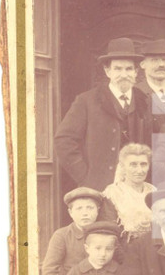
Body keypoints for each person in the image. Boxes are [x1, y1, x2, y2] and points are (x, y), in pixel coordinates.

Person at [55, 38, 152, 191]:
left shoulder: (145, 101)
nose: (123, 74)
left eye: (128, 69)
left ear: (136, 72)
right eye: (118, 69)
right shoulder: (87, 101)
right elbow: (64, 140)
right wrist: (86, 177)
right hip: (99, 187)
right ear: (108, 71)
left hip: (136, 187)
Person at [42, 187, 106, 275]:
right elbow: (49, 271)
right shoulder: (62, 236)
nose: (85, 213)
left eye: (90, 208)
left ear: (98, 210)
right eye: (79, 209)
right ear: (70, 213)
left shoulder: (105, 233)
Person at [102, 143, 155, 242]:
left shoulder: (154, 191)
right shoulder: (113, 193)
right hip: (125, 249)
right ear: (122, 166)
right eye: (133, 165)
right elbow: (109, 232)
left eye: (143, 164)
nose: (139, 170)